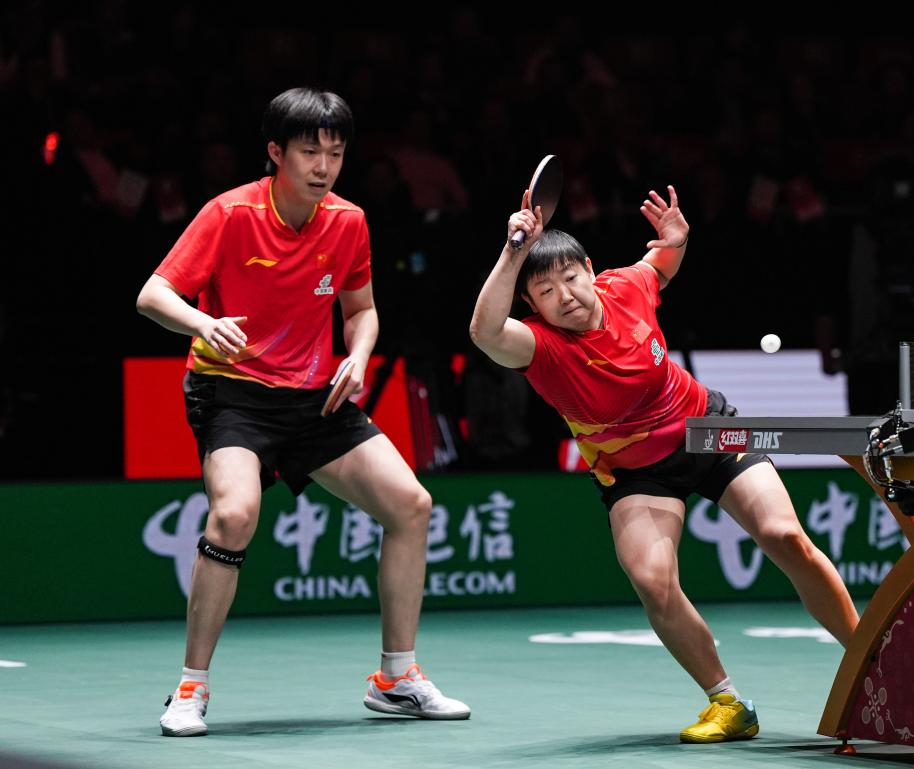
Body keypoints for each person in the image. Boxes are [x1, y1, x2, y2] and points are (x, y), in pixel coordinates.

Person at [469, 186, 858, 743]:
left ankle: (870, 659)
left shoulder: (627, 286)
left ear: (590, 269)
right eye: (546, 292)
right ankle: (728, 703)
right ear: (532, 305)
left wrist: (678, 240)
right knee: (652, 580)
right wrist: (513, 250)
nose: (565, 296)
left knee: (785, 536)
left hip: (707, 431)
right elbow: (484, 333)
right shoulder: (541, 348)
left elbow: (662, 263)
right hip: (636, 473)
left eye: (571, 278)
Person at [136, 87, 469, 737]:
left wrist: (360, 355)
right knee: (234, 514)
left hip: (316, 399)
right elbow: (153, 294)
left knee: (411, 504)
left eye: (335, 153)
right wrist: (203, 323)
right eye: (309, 152)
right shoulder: (229, 214)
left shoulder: (348, 221)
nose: (323, 167)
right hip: (233, 391)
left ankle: (396, 678)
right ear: (275, 152)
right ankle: (190, 686)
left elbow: (361, 310)